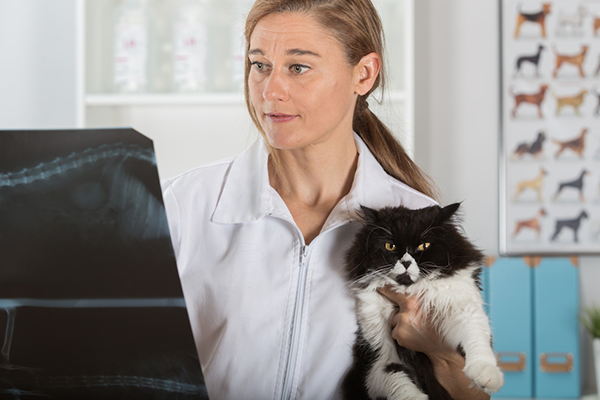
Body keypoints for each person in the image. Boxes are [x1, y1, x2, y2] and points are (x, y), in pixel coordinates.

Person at [161, 0, 492, 399]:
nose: (270, 90)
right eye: (260, 65)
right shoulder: (183, 206)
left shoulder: (424, 225)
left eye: (298, 67)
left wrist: (441, 354)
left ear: (364, 74)